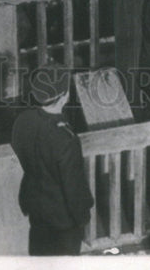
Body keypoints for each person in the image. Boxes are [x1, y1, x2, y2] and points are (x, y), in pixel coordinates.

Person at [11, 66, 94, 256]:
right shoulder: (65, 138)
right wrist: (82, 216)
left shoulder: (23, 120)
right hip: (62, 220)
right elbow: (73, 186)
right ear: (64, 96)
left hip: (36, 209)